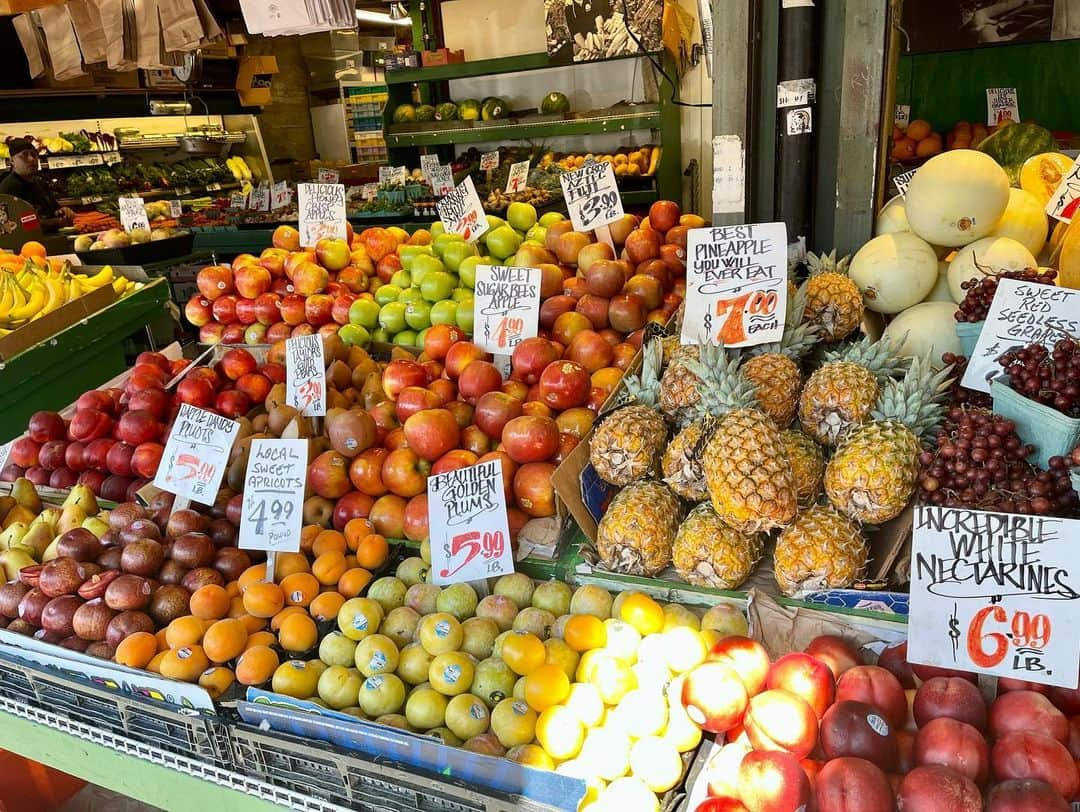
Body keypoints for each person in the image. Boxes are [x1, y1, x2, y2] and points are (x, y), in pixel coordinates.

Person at [0, 138, 73, 232]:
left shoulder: (39, 182)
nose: (31, 159)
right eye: (24, 155)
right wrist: (57, 222)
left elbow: (54, 209)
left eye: (33, 154)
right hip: (27, 244)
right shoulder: (8, 188)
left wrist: (62, 211)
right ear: (12, 161)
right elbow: (14, 225)